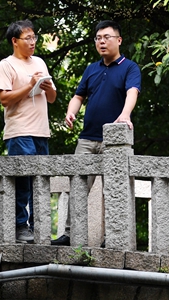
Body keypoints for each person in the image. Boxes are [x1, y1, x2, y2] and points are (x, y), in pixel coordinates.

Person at [55, 20, 141, 246]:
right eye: (98, 38)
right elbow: (78, 96)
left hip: (114, 140)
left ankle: (111, 238)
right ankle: (70, 234)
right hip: (87, 138)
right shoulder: (91, 69)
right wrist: (71, 113)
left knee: (114, 190)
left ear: (119, 40)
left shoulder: (130, 67)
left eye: (107, 37)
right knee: (78, 186)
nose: (102, 42)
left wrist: (125, 115)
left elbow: (133, 91)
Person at [0, 20, 57, 244]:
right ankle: (21, 227)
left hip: (42, 131)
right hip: (19, 131)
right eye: (27, 38)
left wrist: (48, 88)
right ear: (14, 41)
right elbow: (4, 99)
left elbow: (51, 98)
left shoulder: (39, 62)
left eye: (34, 38)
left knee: (40, 182)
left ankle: (38, 228)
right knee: (23, 181)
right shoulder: (6, 65)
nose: (32, 43)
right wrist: (30, 85)